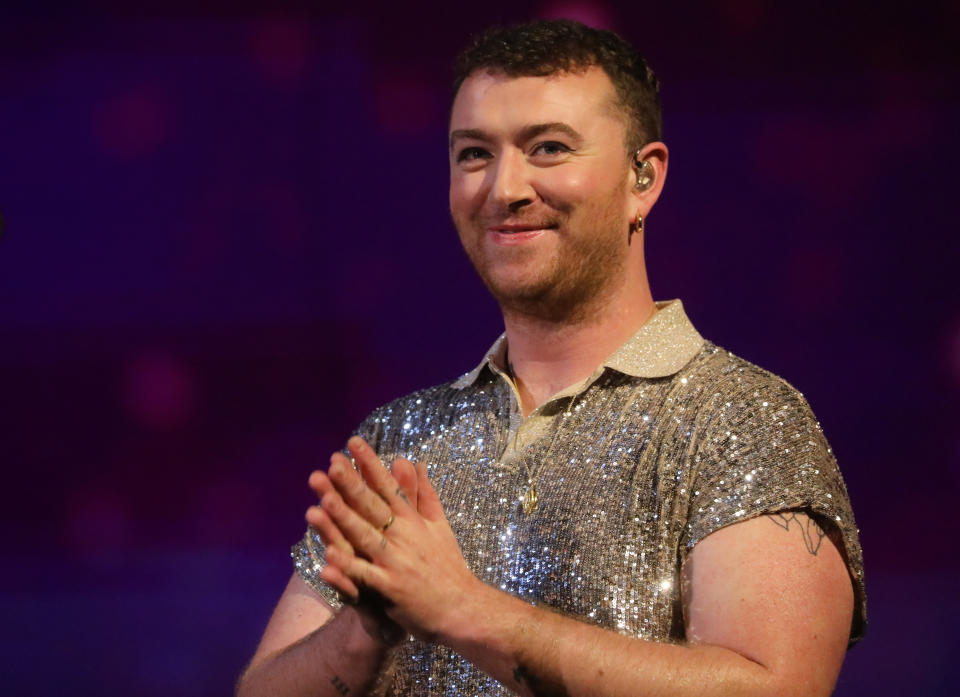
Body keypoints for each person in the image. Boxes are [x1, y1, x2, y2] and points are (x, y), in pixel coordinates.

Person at [236, 19, 865, 697]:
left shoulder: (743, 419)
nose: (504, 188)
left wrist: (464, 610)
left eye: (547, 148)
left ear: (643, 177)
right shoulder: (399, 438)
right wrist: (366, 626)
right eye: (474, 154)